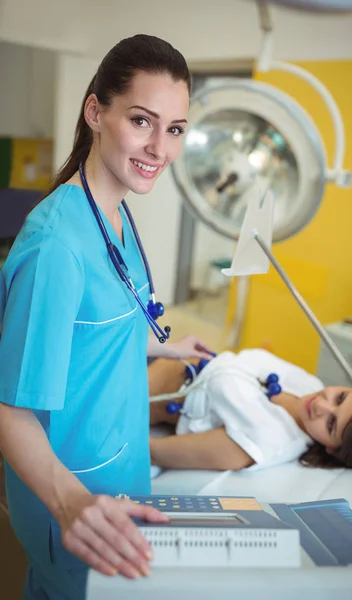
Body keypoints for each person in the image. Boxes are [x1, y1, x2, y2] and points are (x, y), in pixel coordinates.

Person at [0, 34, 213, 600]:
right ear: (96, 111)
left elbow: (97, 323)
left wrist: (165, 348)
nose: (159, 148)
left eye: (174, 129)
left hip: (119, 469)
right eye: (142, 121)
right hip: (74, 496)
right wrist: (72, 504)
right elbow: (10, 411)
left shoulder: (112, 213)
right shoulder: (56, 250)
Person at [148, 348, 352, 472]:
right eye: (340, 397)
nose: (321, 404)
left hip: (130, 387)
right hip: (158, 351)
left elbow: (151, 451)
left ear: (332, 449)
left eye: (331, 425)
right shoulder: (309, 383)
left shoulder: (264, 441)